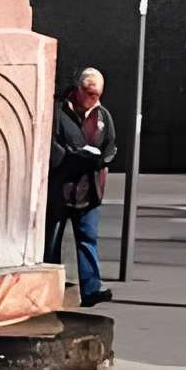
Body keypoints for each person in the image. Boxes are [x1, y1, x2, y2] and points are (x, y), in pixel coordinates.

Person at [47, 68, 119, 307]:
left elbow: (110, 146)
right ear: (78, 89)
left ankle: (91, 289)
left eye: (97, 94)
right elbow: (51, 144)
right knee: (52, 241)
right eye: (89, 93)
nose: (93, 98)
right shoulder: (59, 111)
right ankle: (48, 291)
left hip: (90, 188)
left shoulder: (102, 116)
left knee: (88, 238)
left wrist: (102, 160)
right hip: (62, 186)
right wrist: (69, 158)